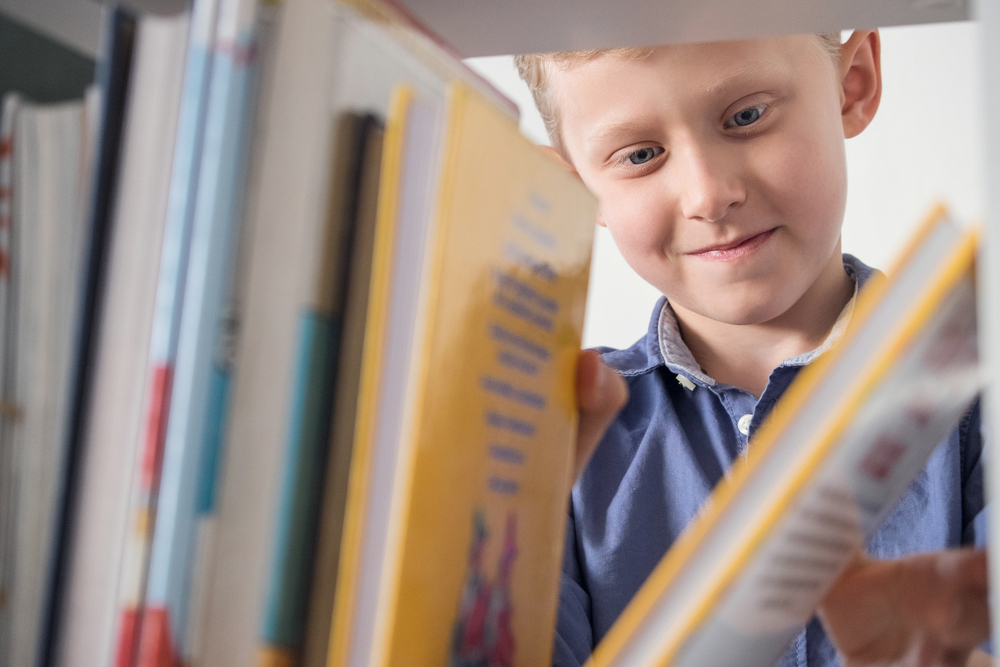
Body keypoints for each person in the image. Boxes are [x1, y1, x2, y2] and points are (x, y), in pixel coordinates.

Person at [515, 30, 992, 667]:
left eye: (746, 116)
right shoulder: (555, 432)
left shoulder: (977, 391)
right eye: (640, 155)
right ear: (579, 189)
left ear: (853, 85)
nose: (709, 195)